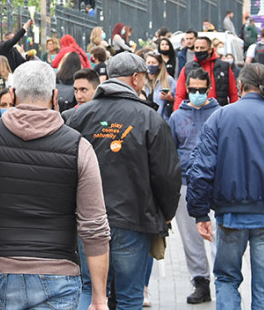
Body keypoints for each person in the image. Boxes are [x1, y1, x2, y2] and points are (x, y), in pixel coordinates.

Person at [0, 60, 111, 310]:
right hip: (57, 270)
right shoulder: (78, 147)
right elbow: (95, 227)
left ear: (12, 95)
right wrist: (99, 297)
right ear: (54, 96)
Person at [187, 64, 264, 310]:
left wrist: (200, 212)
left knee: (226, 278)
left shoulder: (220, 118)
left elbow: (201, 169)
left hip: (230, 214)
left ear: (241, 85)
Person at [67, 52, 182, 309]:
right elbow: (167, 173)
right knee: (131, 295)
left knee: (91, 288)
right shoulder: (150, 118)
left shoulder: (79, 116)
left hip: (89, 218)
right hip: (133, 218)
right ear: (136, 78)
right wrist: (166, 212)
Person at [168, 68, 221, 305]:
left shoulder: (221, 114)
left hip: (217, 184)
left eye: (201, 90)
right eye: (193, 90)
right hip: (186, 183)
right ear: (186, 89)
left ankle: (222, 278)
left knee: (218, 235)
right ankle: (200, 281)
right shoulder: (177, 117)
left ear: (208, 89)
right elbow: (170, 152)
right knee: (191, 237)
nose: (197, 94)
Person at [173, 35, 239, 107]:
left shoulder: (224, 67)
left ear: (210, 49)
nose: (199, 50)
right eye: (196, 48)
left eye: (202, 48)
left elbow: (233, 94)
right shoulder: (187, 68)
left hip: (219, 111)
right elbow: (180, 95)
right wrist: (178, 113)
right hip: (194, 112)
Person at [144, 50, 176, 121]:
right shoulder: (142, 81)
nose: (150, 65)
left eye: (153, 63)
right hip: (145, 120)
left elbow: (178, 98)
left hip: (163, 120)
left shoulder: (168, 80)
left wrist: (170, 99)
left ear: (160, 65)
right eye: (148, 63)